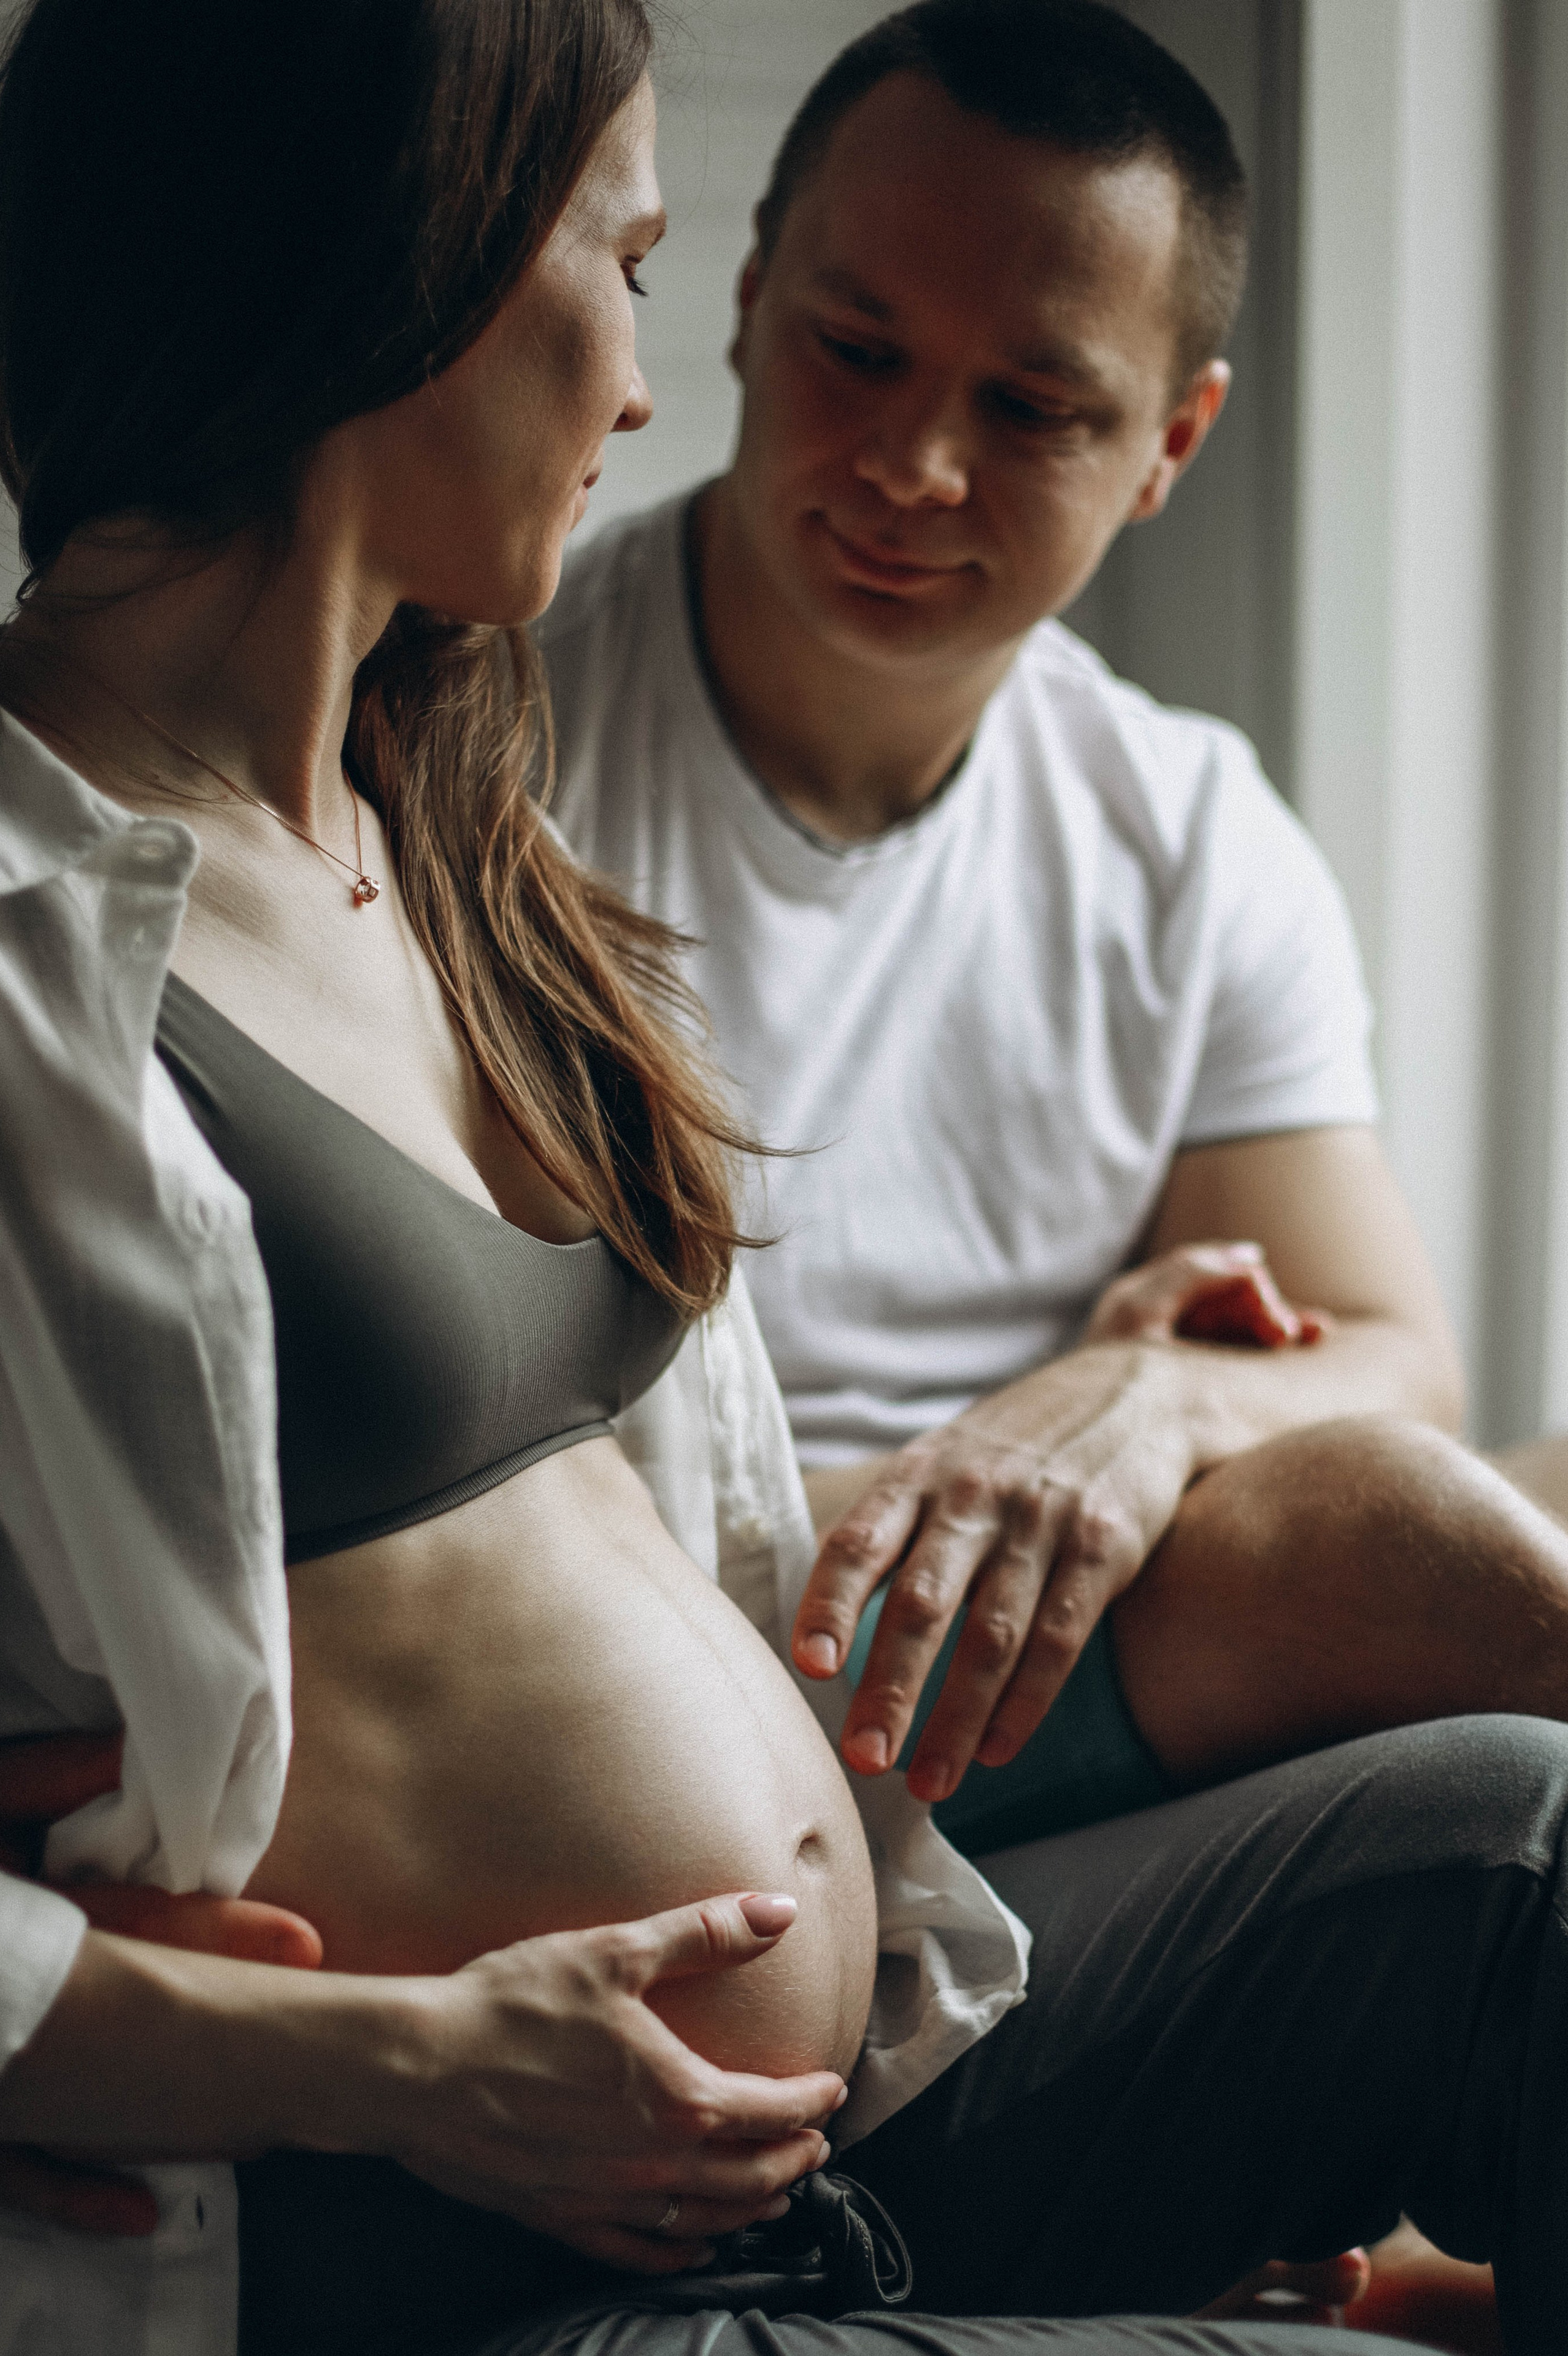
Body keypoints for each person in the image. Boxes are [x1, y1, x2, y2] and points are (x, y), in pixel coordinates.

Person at [0, 6, 1561, 2356]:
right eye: (629, 263)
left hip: (866, 2091)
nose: (643, 392)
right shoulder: (32, 911)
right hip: (477, 2258)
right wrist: (359, 2062)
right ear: (411, 262)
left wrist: (1132, 1412)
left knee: (1528, 1853)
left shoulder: (441, 833)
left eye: (1035, 403)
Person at [538, 0, 1568, 1870]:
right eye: (858, 349)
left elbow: (1397, 1349)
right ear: (752, 297)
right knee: (1392, 1537)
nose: (917, 465)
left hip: (1077, 1612)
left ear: (1172, 441)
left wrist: (1144, 1394)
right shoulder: (480, 746)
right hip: (701, 1646)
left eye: (1034, 408)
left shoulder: (1186, 828)